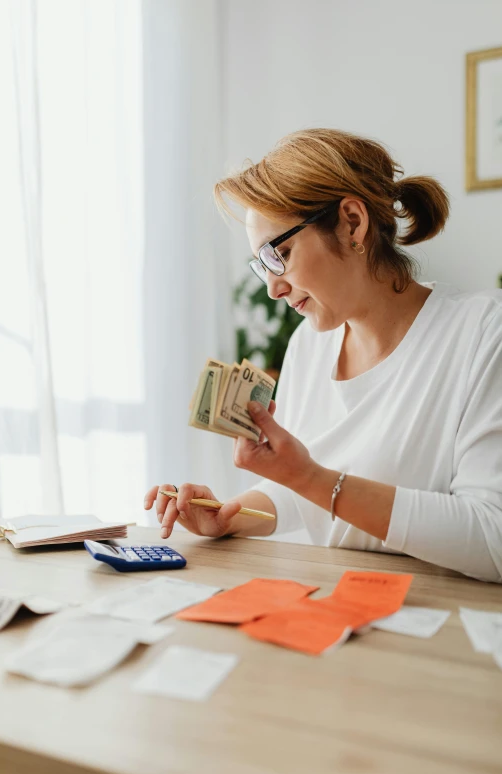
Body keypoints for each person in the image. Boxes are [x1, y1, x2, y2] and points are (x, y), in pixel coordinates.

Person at [144, 128, 502, 583]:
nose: (272, 288)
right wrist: (230, 516)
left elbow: (493, 538)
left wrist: (310, 477)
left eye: (280, 254)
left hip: (446, 624)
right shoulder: (309, 346)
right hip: (340, 609)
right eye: (262, 266)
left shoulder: (484, 333)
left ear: (352, 222)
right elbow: (301, 493)